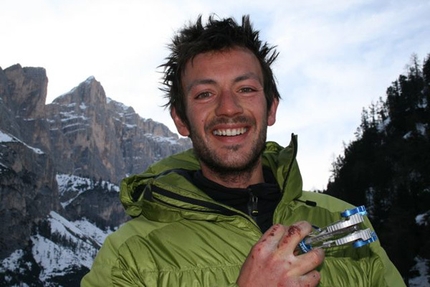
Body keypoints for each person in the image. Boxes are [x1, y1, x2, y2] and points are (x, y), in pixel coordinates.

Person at [81, 15, 405, 286]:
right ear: (181, 120)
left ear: (271, 108)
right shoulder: (128, 256)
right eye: (205, 94)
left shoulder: (341, 221)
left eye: (246, 89)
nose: (228, 108)